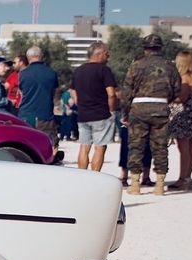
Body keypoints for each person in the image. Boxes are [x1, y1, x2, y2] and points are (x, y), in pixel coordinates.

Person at [123, 32, 181, 195]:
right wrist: (165, 100)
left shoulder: (136, 65)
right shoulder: (170, 66)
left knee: (136, 146)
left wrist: (125, 112)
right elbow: (177, 89)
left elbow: (127, 91)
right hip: (160, 108)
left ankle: (135, 185)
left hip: (139, 109)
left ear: (145, 48)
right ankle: (160, 186)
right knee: (160, 147)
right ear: (160, 48)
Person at [71, 40, 118, 173]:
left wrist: (78, 102)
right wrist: (112, 110)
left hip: (83, 115)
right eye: (106, 54)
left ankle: (82, 175)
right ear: (98, 54)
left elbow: (72, 90)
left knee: (84, 147)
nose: (108, 56)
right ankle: (95, 176)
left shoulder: (79, 70)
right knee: (100, 147)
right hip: (101, 114)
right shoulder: (104, 70)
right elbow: (111, 94)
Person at [169, 50, 192, 191]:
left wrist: (168, 97)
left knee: (183, 148)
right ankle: (188, 177)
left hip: (183, 115)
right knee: (191, 146)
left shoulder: (184, 79)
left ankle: (182, 179)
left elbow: (181, 98)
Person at [18, 46, 59, 147]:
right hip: (45, 115)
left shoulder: (22, 74)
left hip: (26, 115)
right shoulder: (52, 73)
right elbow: (54, 92)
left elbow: (21, 92)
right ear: (41, 56)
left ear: (28, 58)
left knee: (26, 146)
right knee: (46, 145)